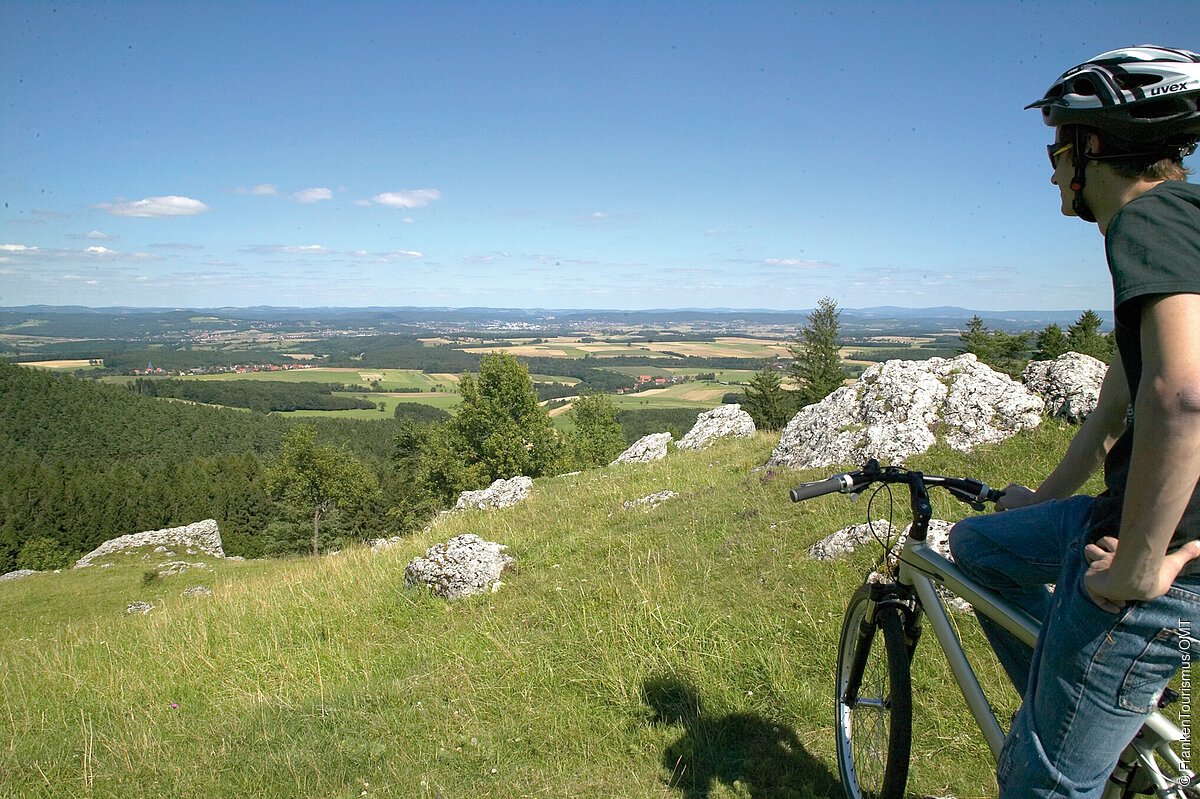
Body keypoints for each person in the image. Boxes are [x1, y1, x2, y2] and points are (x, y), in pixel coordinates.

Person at [948, 45, 1200, 798]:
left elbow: (1183, 395)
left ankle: (1070, 736)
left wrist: (1137, 568)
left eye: (1057, 147)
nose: (1052, 168)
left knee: (1039, 783)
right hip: (1113, 514)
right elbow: (1114, 409)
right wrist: (1050, 495)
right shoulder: (1183, 232)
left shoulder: (1149, 219)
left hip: (1157, 555)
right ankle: (1088, 713)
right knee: (978, 545)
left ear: (1093, 146)